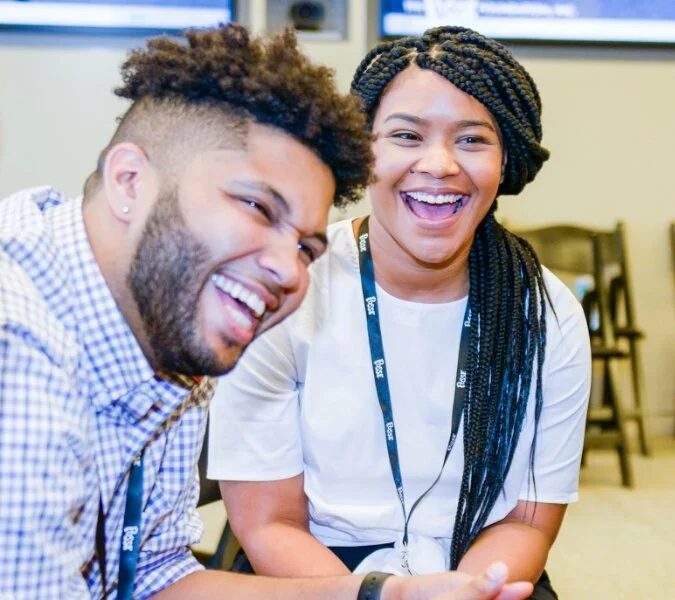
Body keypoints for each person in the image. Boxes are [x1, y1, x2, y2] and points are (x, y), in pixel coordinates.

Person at [0, 22, 534, 600]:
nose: (288, 270)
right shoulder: (18, 358)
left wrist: (385, 595)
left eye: (306, 247)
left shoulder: (173, 330)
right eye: (255, 206)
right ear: (130, 180)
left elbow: (152, 575)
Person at [209, 25, 592, 600]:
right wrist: (385, 594)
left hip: (480, 567)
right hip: (310, 570)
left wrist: (473, 588)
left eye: (472, 140)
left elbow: (527, 523)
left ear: (506, 158)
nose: (438, 164)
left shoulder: (545, 314)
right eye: (406, 135)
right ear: (364, 151)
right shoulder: (288, 287)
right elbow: (269, 522)